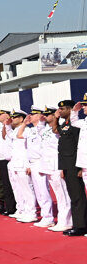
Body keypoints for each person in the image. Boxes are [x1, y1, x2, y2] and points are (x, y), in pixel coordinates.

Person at [59, 98, 87, 235]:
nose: (85, 107)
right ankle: (78, 224)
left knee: (78, 196)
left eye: (86, 105)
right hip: (76, 164)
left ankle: (81, 225)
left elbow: (76, 147)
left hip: (77, 165)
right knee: (74, 196)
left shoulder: (76, 126)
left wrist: (79, 168)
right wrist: (75, 111)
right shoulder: (80, 123)